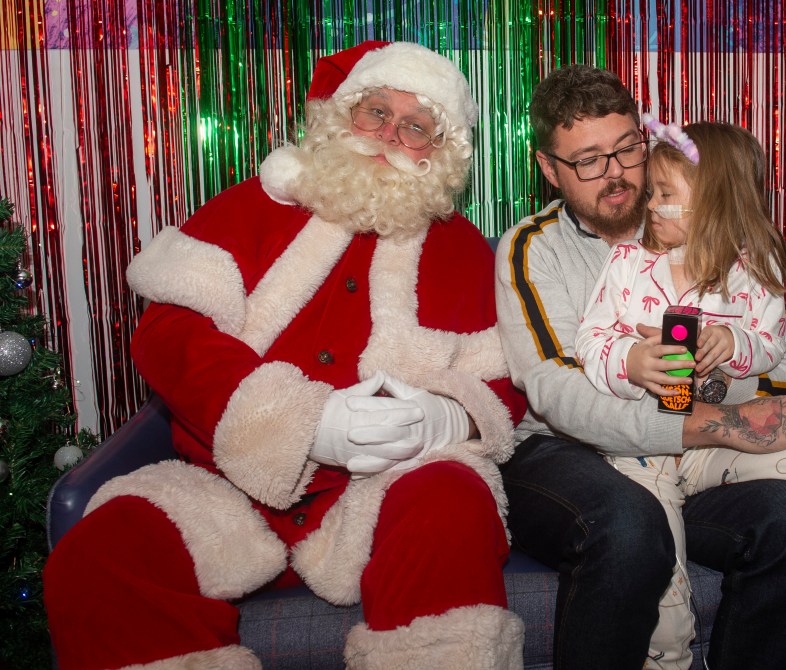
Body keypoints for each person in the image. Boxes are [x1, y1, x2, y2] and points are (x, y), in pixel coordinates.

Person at [44, 41, 527, 670]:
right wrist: (300, 423)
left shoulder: (465, 252)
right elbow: (170, 331)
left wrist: (446, 417)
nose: (387, 135)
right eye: (373, 112)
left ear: (439, 152)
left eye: (415, 127)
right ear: (339, 117)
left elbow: (506, 382)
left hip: (380, 495)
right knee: (100, 555)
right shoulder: (252, 208)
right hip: (225, 490)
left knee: (454, 498)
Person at [495, 63, 786, 670]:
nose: (616, 173)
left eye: (628, 148)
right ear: (548, 169)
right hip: (565, 452)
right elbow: (554, 390)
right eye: (587, 159)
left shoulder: (716, 236)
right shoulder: (535, 247)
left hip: (699, 450)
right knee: (631, 526)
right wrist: (697, 421)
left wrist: (722, 366)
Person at [574, 118, 786, 670]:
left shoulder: (752, 273)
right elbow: (590, 340)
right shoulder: (628, 263)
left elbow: (774, 347)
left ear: (714, 202)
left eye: (665, 195)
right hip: (642, 454)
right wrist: (629, 360)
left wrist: (734, 341)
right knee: (663, 604)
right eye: (652, 192)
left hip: (718, 447)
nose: (650, 205)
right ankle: (666, 655)